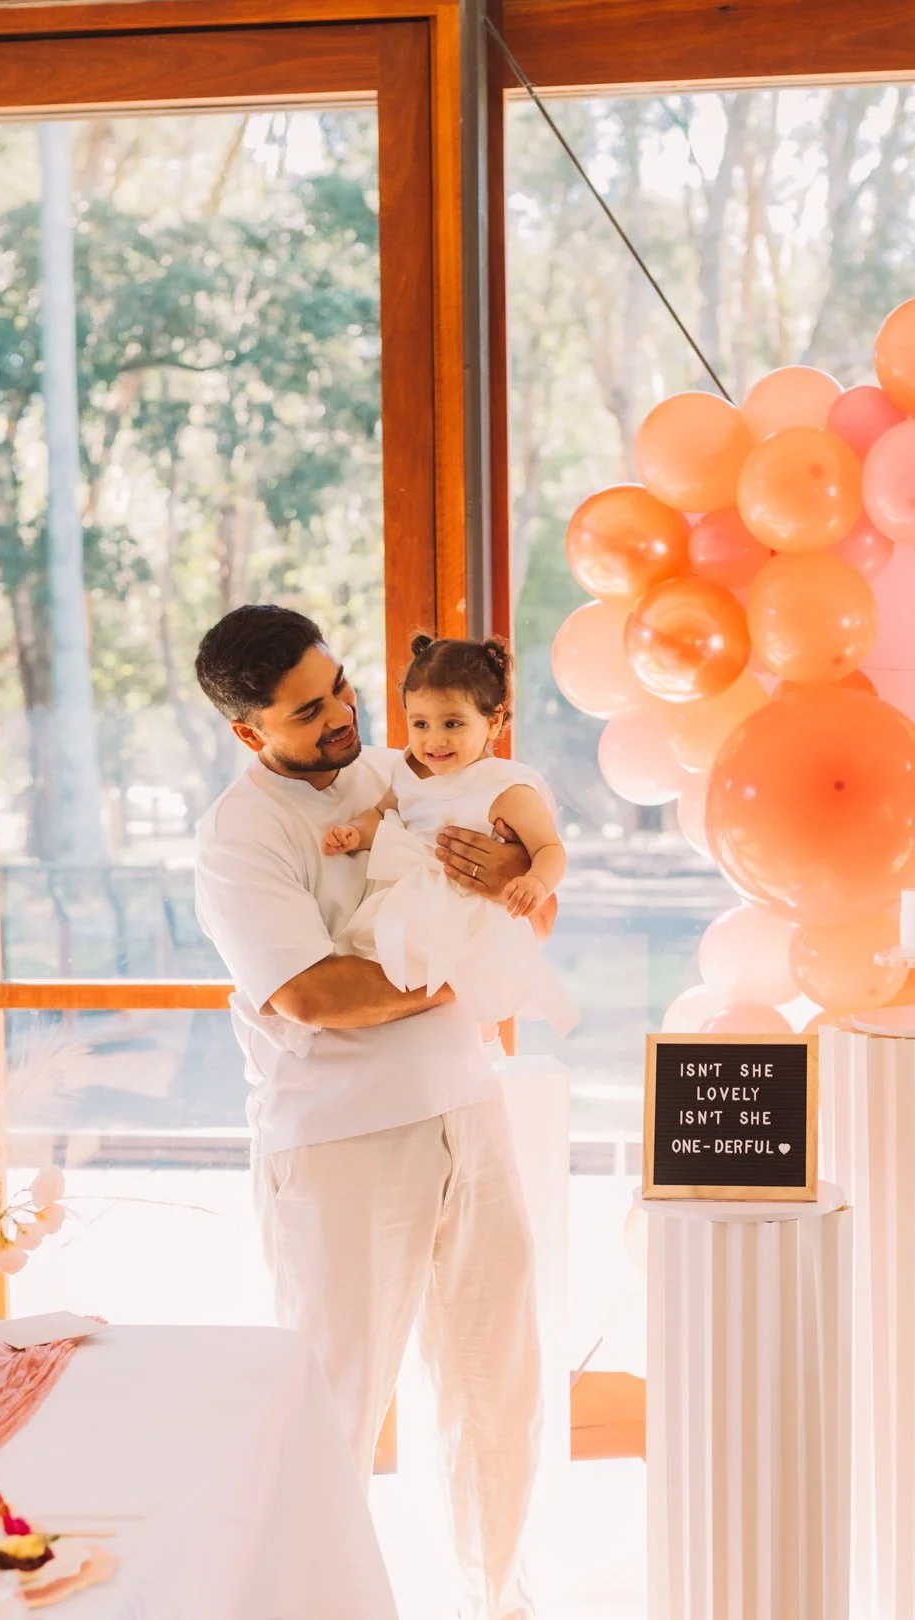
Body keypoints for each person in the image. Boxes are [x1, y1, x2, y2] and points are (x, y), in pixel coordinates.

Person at [192, 604, 549, 1620]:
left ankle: (499, 1603)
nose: (344, 714)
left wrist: (519, 881)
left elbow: (531, 903)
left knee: (497, 1390)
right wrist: (458, 967)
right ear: (250, 733)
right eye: (308, 712)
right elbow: (316, 995)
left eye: (342, 685)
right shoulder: (240, 835)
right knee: (334, 1406)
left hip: (466, 1110)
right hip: (341, 1143)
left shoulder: (416, 767)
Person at [323, 632, 577, 1036]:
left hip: (469, 907)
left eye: (453, 724)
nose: (434, 740)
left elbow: (550, 848)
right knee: (383, 972)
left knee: (463, 1007)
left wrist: (535, 882)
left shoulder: (505, 788)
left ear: (493, 722)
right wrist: (355, 833)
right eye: (420, 723)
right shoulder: (406, 769)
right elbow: (385, 812)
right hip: (410, 896)